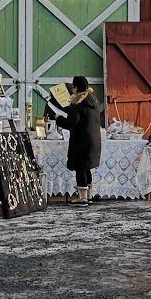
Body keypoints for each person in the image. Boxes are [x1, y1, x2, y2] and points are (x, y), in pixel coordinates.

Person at [54, 74, 103, 204]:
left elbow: (71, 123)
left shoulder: (78, 104)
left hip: (82, 141)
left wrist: (58, 119)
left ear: (76, 88)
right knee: (87, 168)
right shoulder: (94, 101)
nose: (72, 90)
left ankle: (82, 198)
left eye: (73, 87)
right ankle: (89, 195)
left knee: (80, 168)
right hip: (94, 140)